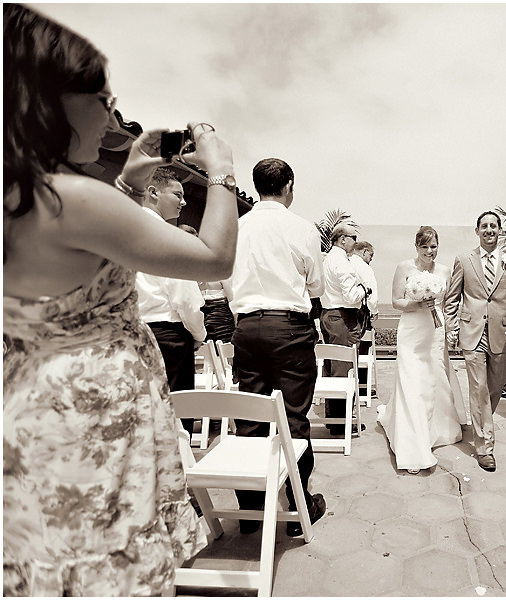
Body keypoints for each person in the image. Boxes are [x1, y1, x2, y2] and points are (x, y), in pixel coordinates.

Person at [3, 4, 237, 594]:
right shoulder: (71, 199)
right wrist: (222, 173)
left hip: (35, 406)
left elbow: (89, 247)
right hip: (92, 420)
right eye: (102, 99)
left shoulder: (23, 196)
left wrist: (131, 178)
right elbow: (214, 257)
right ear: (50, 100)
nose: (112, 111)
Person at [222, 158, 326, 537]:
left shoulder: (236, 226)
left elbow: (229, 282)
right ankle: (299, 506)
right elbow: (316, 285)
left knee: (251, 413)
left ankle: (250, 508)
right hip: (289, 328)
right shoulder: (300, 227)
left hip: (247, 326)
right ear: (289, 186)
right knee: (294, 417)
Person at [444, 211, 506, 472]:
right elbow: (451, 299)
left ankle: (482, 424)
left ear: (499, 230)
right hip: (473, 334)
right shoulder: (463, 260)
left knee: (493, 389)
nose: (489, 230)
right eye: (484, 226)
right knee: (479, 390)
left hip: (502, 336)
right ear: (477, 230)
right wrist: (452, 327)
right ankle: (485, 447)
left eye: (493, 226)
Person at [377, 226, 463, 473]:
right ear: (416, 247)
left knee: (434, 381)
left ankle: (435, 429)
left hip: (435, 333)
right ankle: (412, 445)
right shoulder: (404, 267)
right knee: (412, 384)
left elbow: (448, 305)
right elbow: (396, 301)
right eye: (424, 246)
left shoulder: (445, 270)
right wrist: (418, 304)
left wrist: (451, 328)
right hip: (412, 333)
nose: (429, 251)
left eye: (433, 246)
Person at [135, 167, 207, 432]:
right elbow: (185, 298)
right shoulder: (170, 238)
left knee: (140, 412)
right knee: (174, 415)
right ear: (153, 192)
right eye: (178, 194)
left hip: (130, 334)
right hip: (167, 338)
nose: (184, 201)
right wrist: (198, 333)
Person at [320, 222, 369, 436]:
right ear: (342, 239)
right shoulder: (341, 262)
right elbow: (351, 295)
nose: (355, 242)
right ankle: (341, 422)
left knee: (333, 368)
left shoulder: (329, 259)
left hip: (330, 314)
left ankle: (335, 418)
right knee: (344, 369)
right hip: (342, 317)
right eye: (353, 238)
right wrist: (364, 289)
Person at [350, 240, 378, 393]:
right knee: (363, 348)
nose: (371, 259)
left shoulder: (346, 262)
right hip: (361, 311)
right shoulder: (363, 266)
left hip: (344, 312)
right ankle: (362, 387)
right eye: (371, 255)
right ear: (365, 251)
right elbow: (371, 289)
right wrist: (374, 310)